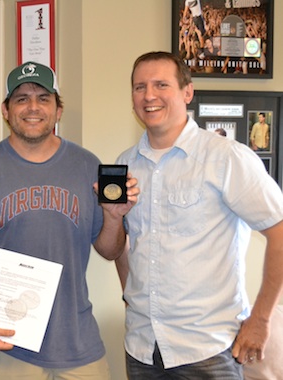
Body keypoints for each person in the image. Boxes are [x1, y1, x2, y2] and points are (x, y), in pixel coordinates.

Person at [0, 61, 139, 379]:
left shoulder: (87, 166)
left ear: (58, 110)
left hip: (78, 342)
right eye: (21, 98)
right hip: (9, 343)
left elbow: (110, 250)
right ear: (6, 110)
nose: (33, 107)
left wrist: (114, 217)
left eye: (43, 98)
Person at [116, 51, 283, 379]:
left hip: (207, 351)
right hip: (142, 347)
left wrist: (261, 319)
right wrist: (132, 298)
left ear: (187, 92)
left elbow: (280, 231)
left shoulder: (226, 158)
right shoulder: (125, 164)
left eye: (161, 84)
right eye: (139, 87)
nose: (149, 95)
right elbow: (126, 245)